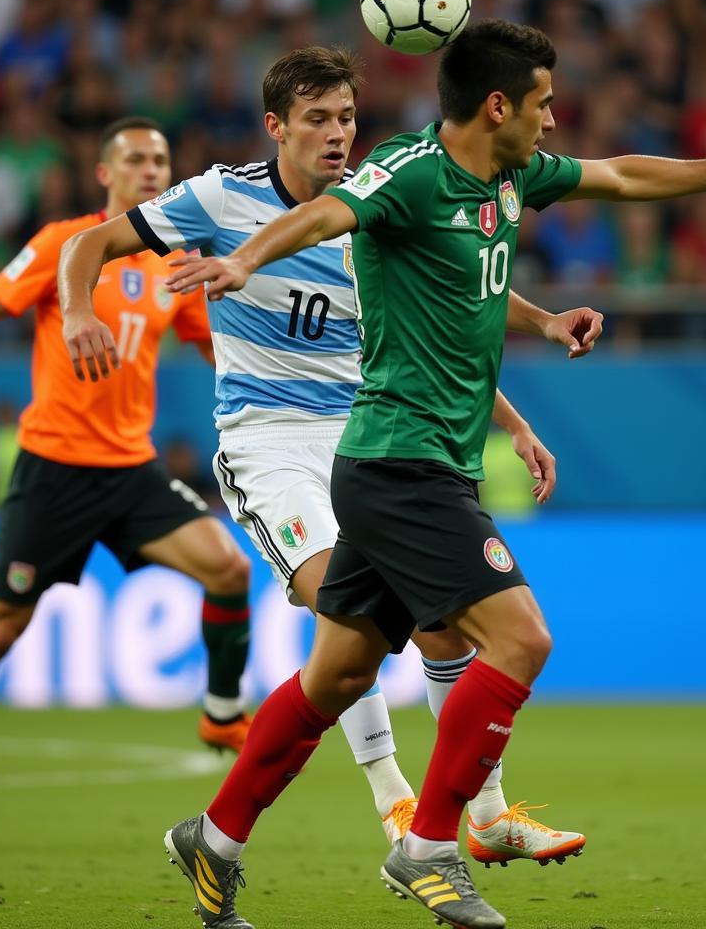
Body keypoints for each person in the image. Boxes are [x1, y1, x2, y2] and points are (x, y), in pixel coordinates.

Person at [64, 19, 706, 929]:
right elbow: (320, 218)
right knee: (520, 639)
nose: (553, 121)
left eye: (348, 113)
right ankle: (432, 844)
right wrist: (241, 260)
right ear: (498, 104)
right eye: (542, 103)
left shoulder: (508, 177)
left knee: (337, 676)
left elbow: (620, 177)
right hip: (389, 461)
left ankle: (215, 838)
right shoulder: (402, 174)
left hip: (405, 451)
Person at [57, 47, 586, 867]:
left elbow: (449, 305)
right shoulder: (218, 199)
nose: (338, 135)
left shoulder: (368, 200)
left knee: (445, 627)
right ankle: (391, 796)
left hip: (365, 439)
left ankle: (486, 813)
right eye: (317, 120)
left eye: (346, 118)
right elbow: (85, 249)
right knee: (341, 610)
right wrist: (76, 315)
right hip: (268, 446)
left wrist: (512, 415)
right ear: (276, 127)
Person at [0, 116, 251, 855]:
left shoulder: (172, 262)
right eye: (135, 159)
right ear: (105, 174)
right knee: (0, 630)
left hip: (131, 470)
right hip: (53, 469)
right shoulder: (66, 242)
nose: (151, 169)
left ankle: (221, 710)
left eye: (160, 158)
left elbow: (215, 348)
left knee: (227, 567)